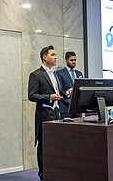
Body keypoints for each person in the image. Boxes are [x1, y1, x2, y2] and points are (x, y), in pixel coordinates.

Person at [28, 45, 72, 181]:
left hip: (57, 115)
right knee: (44, 147)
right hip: (44, 116)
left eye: (55, 55)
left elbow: (57, 93)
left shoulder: (56, 74)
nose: (55, 57)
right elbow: (32, 95)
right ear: (44, 57)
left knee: (56, 146)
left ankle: (55, 173)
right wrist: (49, 97)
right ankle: (43, 175)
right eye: (52, 55)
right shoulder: (36, 74)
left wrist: (66, 93)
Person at [56, 51, 83, 118]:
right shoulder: (59, 73)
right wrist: (67, 92)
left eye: (75, 60)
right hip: (66, 108)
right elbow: (59, 90)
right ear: (66, 60)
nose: (74, 62)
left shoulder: (79, 74)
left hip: (78, 108)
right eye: (71, 60)